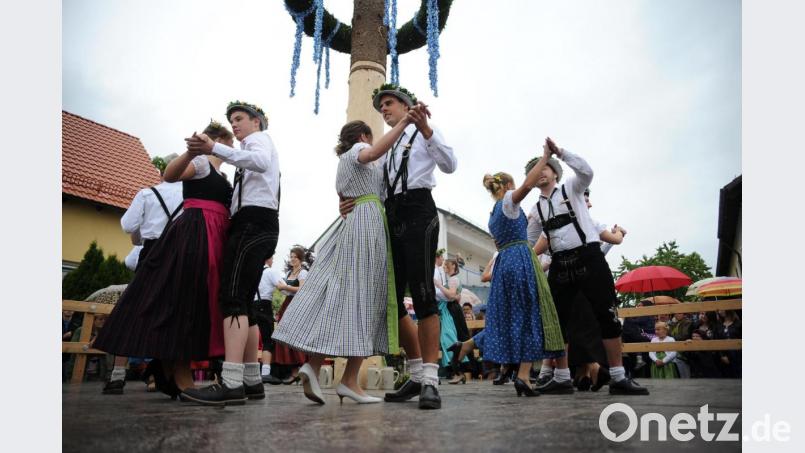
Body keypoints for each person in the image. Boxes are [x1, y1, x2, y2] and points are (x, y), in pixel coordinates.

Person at [272, 117, 414, 405]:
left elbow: (348, 192)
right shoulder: (358, 152)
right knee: (366, 296)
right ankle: (349, 381)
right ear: (363, 135)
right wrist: (403, 123)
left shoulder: (346, 163)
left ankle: (312, 365)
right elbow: (373, 154)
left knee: (345, 297)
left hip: (356, 223)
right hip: (367, 224)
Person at [94, 121, 234, 399]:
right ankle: (179, 376)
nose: (233, 149)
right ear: (220, 141)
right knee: (184, 303)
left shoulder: (222, 174)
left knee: (190, 303)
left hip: (212, 235)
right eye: (230, 143)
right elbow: (170, 175)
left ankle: (168, 374)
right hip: (196, 234)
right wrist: (191, 152)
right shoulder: (204, 163)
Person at [341, 84, 457, 409]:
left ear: (406, 105)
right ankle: (418, 375)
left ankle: (431, 381)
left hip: (419, 211)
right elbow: (375, 186)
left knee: (422, 294)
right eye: (381, 107)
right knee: (393, 299)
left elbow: (450, 165)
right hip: (391, 215)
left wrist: (426, 128)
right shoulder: (387, 146)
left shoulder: (423, 132)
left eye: (388, 104)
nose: (384, 110)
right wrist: (347, 204)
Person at [530, 137, 648, 395]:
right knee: (557, 321)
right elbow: (530, 243)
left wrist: (560, 152)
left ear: (554, 173)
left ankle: (618, 376)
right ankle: (561, 377)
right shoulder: (536, 209)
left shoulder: (571, 188)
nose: (540, 173)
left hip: (588, 257)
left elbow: (587, 171)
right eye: (536, 170)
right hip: (560, 264)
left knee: (606, 314)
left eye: (545, 168)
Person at [181, 101, 281, 406]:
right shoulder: (251, 146)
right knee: (246, 305)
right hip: (256, 221)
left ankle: (232, 382)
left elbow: (260, 163)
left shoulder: (257, 141)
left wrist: (215, 147)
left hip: (253, 221)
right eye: (232, 120)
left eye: (239, 119)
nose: (234, 125)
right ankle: (251, 381)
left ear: (257, 121)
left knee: (233, 298)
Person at [101, 154, 184, 394]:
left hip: (151, 254)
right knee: (171, 316)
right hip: (178, 257)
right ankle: (166, 377)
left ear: (161, 172)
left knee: (129, 313)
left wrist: (139, 237)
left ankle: (117, 375)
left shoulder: (147, 194)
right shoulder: (190, 197)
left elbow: (128, 226)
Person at [272, 247, 311, 384]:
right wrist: (281, 288)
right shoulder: (289, 273)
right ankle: (295, 372)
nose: (292, 259)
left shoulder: (303, 272)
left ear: (300, 258)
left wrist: (285, 287)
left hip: (297, 305)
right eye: (291, 256)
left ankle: (300, 371)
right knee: (285, 337)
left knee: (295, 336)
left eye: (295, 257)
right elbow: (285, 291)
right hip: (286, 304)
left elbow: (302, 289)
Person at [253, 255, 288, 384]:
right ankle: (266, 373)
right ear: (268, 259)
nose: (273, 261)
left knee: (251, 340)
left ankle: (248, 373)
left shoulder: (253, 272)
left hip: (251, 306)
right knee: (268, 340)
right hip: (264, 305)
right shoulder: (270, 271)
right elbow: (284, 289)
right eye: (272, 258)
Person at [435, 258, 469, 384]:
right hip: (448, 311)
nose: (444, 268)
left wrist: (438, 285)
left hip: (449, 311)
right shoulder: (452, 280)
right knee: (449, 340)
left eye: (446, 265)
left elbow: (451, 295)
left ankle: (458, 371)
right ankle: (457, 371)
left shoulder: (453, 279)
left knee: (448, 340)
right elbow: (454, 296)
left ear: (453, 266)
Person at [668, 312, 693, 378]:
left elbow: (684, 336)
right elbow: (669, 333)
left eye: (679, 313)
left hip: (683, 351)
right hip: (675, 349)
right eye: (675, 313)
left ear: (684, 314)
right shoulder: (674, 323)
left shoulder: (687, 322)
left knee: (684, 373)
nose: (676, 315)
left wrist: (671, 338)